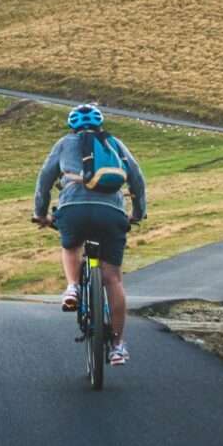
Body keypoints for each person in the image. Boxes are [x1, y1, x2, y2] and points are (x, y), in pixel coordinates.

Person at [31, 103, 146, 367]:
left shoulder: (64, 144)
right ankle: (117, 347)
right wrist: (137, 214)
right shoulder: (115, 143)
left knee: (71, 246)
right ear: (100, 124)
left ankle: (73, 287)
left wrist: (40, 213)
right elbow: (136, 179)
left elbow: (45, 179)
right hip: (112, 213)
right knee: (113, 279)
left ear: (72, 127)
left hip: (73, 210)